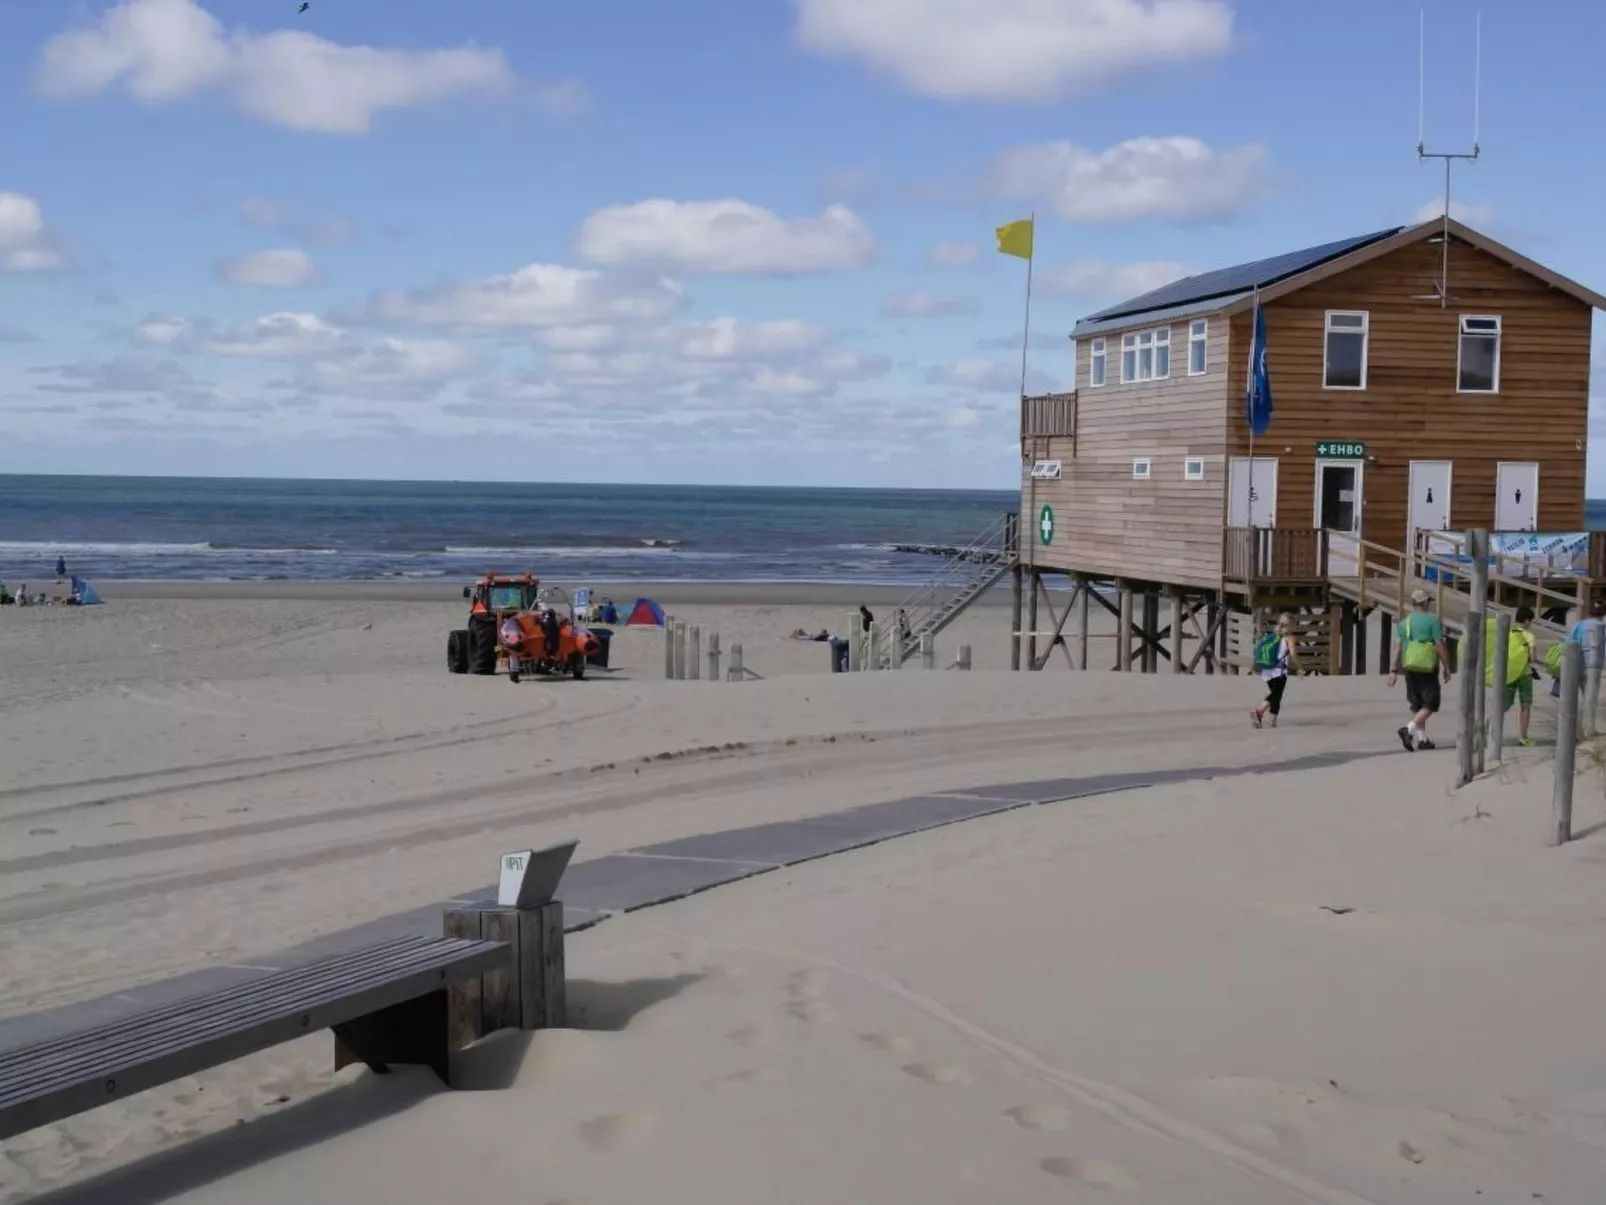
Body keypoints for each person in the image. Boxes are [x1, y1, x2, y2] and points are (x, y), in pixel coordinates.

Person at [1389, 588, 1452, 751]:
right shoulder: (1432, 621)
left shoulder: (1404, 623)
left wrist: (1393, 671)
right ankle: (1408, 729)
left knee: (1416, 703)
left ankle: (1422, 739)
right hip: (1427, 667)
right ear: (1424, 603)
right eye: (1429, 602)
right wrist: (1447, 666)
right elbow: (1440, 645)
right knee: (1431, 703)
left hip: (1409, 666)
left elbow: (1397, 647)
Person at [1251, 613, 1301, 728]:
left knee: (1276, 696)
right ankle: (1259, 711)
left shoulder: (1273, 635)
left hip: (1267, 670)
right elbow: (1293, 655)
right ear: (1290, 625)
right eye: (1295, 624)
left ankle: (1272, 722)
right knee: (1276, 695)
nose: (1296, 627)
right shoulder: (1289, 637)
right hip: (1279, 672)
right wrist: (1300, 667)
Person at [1504, 606, 1538, 747]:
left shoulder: (1507, 633)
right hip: (1524, 674)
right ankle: (1523, 737)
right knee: (1525, 705)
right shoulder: (1529, 636)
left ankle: (1490, 728)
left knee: (1503, 705)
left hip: (1509, 673)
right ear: (1526, 621)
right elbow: (1533, 658)